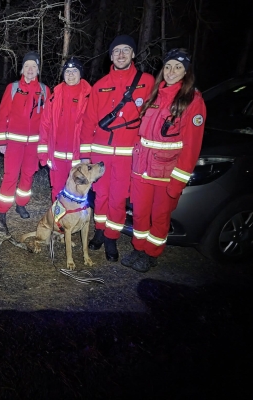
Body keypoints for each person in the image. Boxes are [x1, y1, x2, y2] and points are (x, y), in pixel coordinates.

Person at [121, 48, 206, 272]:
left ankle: (152, 253)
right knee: (139, 213)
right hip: (141, 170)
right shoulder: (155, 94)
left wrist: (178, 182)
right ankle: (139, 248)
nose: (171, 71)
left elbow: (191, 147)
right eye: (168, 66)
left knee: (159, 217)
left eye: (178, 67)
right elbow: (141, 135)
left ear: (186, 72)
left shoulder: (192, 101)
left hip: (165, 173)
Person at [80, 35, 154, 262]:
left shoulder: (147, 82)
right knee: (100, 196)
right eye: (116, 51)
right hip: (100, 154)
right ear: (111, 56)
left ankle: (111, 237)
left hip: (126, 156)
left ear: (133, 54)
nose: (121, 55)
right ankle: (100, 231)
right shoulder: (100, 85)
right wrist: (85, 156)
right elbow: (88, 122)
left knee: (118, 198)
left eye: (125, 50)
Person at [0, 51, 51, 222]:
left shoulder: (44, 90)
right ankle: (2, 210)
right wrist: (1, 141)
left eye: (33, 66)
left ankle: (21, 204)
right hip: (13, 142)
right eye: (27, 66)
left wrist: (45, 144)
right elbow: (2, 115)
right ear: (22, 69)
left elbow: (48, 120)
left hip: (34, 144)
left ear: (38, 69)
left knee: (28, 175)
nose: (30, 69)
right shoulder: (13, 88)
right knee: (10, 175)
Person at [38, 57, 92, 203]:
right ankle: (58, 216)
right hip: (57, 156)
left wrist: (87, 155)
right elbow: (45, 125)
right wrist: (43, 153)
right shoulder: (54, 97)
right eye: (67, 71)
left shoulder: (89, 96)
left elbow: (91, 126)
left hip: (79, 156)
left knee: (78, 191)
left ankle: (75, 217)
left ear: (81, 74)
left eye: (75, 71)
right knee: (57, 190)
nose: (71, 74)